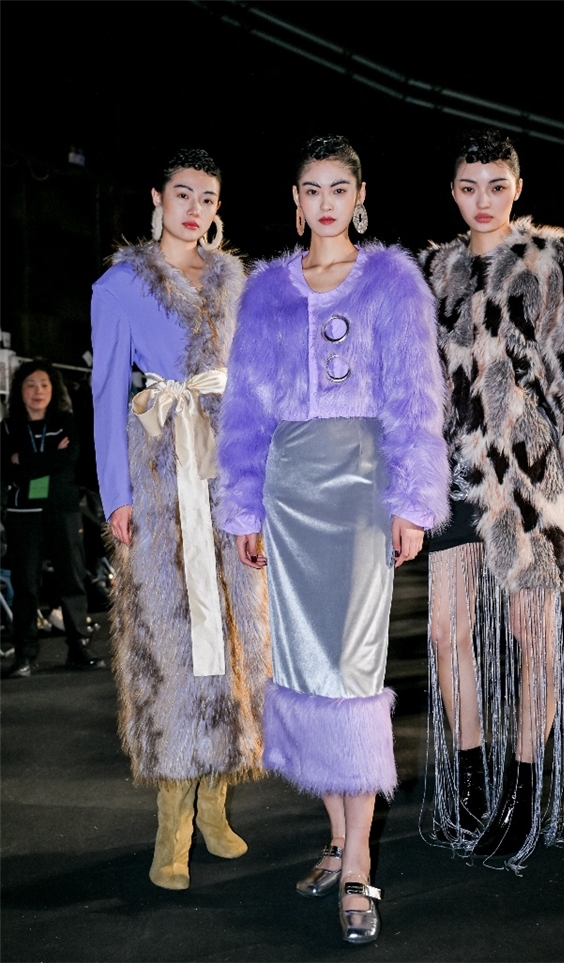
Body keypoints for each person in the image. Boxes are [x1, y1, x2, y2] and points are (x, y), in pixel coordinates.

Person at [217, 135, 449, 943]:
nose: (325, 203)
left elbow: (417, 399)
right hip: (289, 493)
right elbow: (245, 407)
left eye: (338, 189)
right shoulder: (266, 292)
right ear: (295, 201)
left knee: (353, 672)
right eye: (311, 189)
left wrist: (412, 501)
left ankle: (359, 865)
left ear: (359, 197)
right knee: (306, 670)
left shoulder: (394, 283)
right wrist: (243, 507)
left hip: (359, 490)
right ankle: (337, 836)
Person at [419, 130, 564, 872]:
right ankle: (474, 782)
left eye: (496, 186)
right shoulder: (433, 273)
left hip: (531, 478)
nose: (483, 201)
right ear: (453, 191)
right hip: (450, 476)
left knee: (530, 632)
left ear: (517, 189)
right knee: (446, 632)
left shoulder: (555, 263)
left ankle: (524, 792)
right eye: (469, 186)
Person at [90, 148, 270, 890]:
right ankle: (173, 824)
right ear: (157, 198)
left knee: (237, 638)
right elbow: (106, 392)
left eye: (208, 198)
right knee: (170, 642)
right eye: (183, 194)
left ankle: (216, 801)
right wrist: (117, 494)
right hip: (161, 474)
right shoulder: (119, 286)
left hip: (230, 472)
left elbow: (255, 387)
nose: (195, 209)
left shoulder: (234, 282)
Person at [2, 358, 105, 678]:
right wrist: (48, 459)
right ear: (20, 390)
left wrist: (23, 460)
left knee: (71, 579)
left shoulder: (66, 423)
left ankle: (79, 647)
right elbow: (6, 468)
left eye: (44, 385)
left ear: (53, 390)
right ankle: (25, 655)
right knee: (25, 584)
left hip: (62, 510)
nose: (38, 391)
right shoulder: (8, 427)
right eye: (31, 385)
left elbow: (69, 459)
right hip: (23, 514)